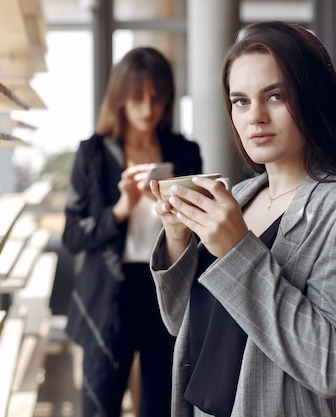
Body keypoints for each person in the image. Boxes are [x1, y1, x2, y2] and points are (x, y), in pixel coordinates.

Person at [149, 21, 336, 417]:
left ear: (312, 99)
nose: (255, 116)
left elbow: (331, 366)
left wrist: (235, 252)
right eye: (240, 101)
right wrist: (178, 237)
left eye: (275, 95)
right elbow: (185, 326)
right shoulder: (240, 197)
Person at [62, 46, 203, 417]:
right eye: (138, 97)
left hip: (166, 290)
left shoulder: (184, 152)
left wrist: (180, 200)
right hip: (110, 293)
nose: (147, 107)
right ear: (120, 97)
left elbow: (201, 235)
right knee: (99, 406)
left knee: (163, 406)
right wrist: (121, 208)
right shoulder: (92, 154)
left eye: (156, 97)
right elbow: (73, 236)